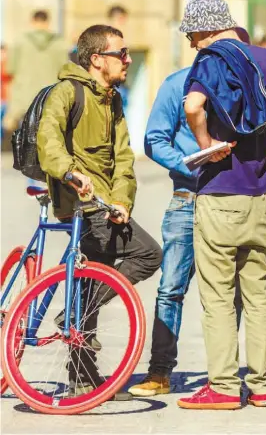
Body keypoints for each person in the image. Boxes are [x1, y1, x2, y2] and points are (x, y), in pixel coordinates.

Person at [176, 0, 266, 410]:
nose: (191, 45)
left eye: (191, 36)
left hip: (220, 193)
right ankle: (260, 387)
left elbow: (193, 106)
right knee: (257, 292)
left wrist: (205, 146)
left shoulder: (210, 60)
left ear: (205, 30)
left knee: (218, 296)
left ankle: (222, 387)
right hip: (261, 193)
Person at [36, 24, 163, 399]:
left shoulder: (113, 99)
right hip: (81, 202)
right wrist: (70, 172)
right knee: (148, 253)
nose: (127, 60)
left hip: (107, 203)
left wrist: (123, 199)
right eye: (120, 54)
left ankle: (82, 377)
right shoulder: (67, 92)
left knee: (93, 277)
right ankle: (77, 317)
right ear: (96, 59)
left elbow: (123, 158)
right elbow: (49, 138)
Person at [128, 27, 251, 398]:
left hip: (231, 201)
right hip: (187, 199)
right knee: (171, 289)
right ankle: (159, 373)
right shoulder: (177, 84)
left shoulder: (244, 88)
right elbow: (154, 139)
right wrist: (189, 163)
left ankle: (223, 378)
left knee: (230, 294)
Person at [2, 10, 67, 138]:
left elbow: (10, 69)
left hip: (23, 97)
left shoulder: (19, 41)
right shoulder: (59, 43)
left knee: (22, 136)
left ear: (32, 21)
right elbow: (64, 71)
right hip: (49, 95)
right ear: (48, 22)